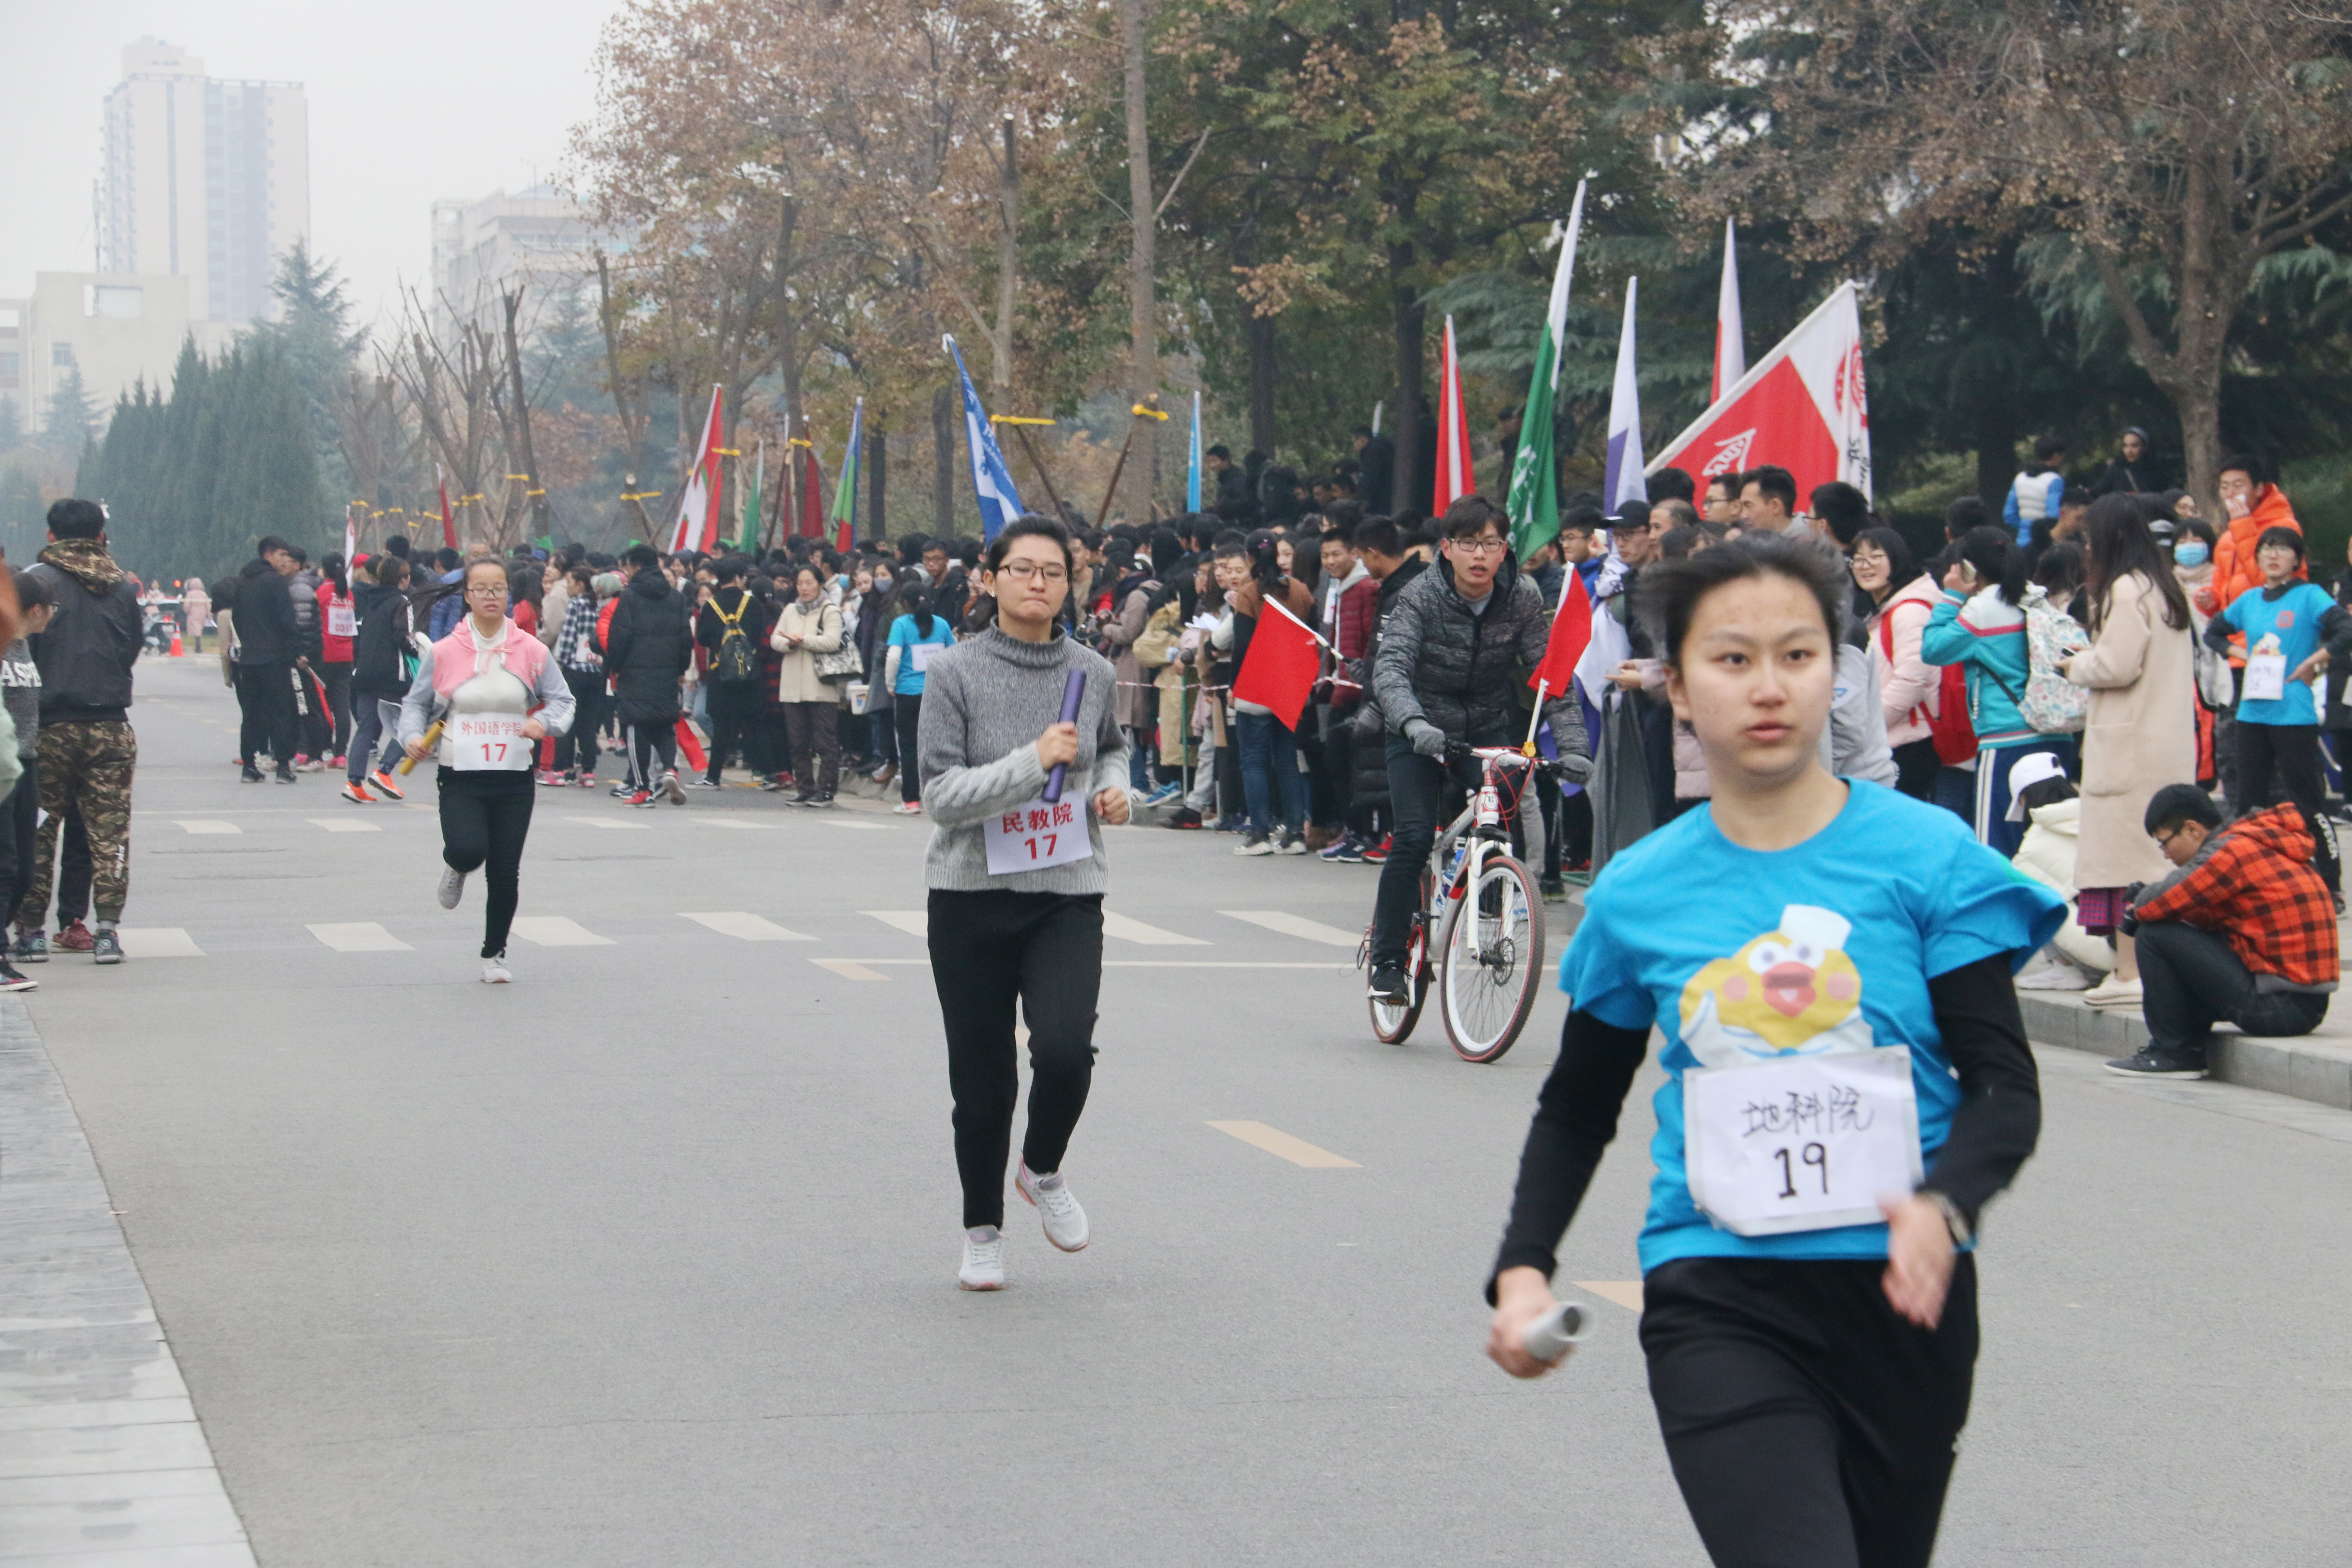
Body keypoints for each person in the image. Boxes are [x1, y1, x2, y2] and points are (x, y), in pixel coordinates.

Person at [1484, 532, 2063, 1568]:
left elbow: (2002, 1087)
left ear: (1836, 673)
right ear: (1675, 685)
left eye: (1798, 655)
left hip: (1904, 1302)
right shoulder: (1638, 892)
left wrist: (1943, 1206)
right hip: (1717, 1293)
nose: (1768, 686)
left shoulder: (1928, 857)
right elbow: (1576, 1106)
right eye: (1732, 658)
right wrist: (1522, 1268)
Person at [915, 514, 1131, 1291]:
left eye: (1053, 571)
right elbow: (940, 795)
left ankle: (1041, 1167)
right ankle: (982, 1229)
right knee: (982, 1082)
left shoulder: (1091, 671)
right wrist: (1031, 761)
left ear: (1071, 583)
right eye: (1022, 569)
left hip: (1065, 892)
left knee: (1067, 1048)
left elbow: (1112, 747)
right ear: (991, 578)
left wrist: (1115, 789)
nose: (1038, 583)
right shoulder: (953, 672)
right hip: (969, 895)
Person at [1365, 495, 1592, 1003]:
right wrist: (1413, 722)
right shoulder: (1419, 596)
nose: (1480, 555)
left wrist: (1575, 747)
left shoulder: (1522, 598)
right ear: (1447, 548)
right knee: (1414, 837)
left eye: (1491, 543)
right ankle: (1388, 960)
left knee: (1501, 817)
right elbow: (1391, 669)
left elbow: (1552, 680)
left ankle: (1488, 891)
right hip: (1418, 729)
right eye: (1469, 543)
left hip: (1486, 727)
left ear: (1504, 549)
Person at [398, 557, 575, 983]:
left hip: (514, 775)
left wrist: (543, 723)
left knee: (505, 870)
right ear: (468, 596)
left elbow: (563, 700)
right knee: (468, 848)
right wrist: (412, 736)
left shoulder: (531, 650)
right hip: (461, 772)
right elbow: (416, 703)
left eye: (498, 588)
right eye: (481, 589)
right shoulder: (445, 652)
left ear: (508, 595)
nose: (491, 596)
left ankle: (494, 954)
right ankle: (457, 866)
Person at [2061, 495, 2198, 1011]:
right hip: (2164, 744)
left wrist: (2075, 665)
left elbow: (2117, 666)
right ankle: (2155, 973)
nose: (2088, 546)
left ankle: (2128, 971)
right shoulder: (2164, 585)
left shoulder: (2124, 588)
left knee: (2122, 869)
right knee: (2158, 865)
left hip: (2128, 747)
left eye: (2092, 536)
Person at [2104, 785, 2336, 1078]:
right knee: (2183, 932)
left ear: (2192, 830)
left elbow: (2156, 904)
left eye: (2164, 843)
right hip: (2304, 1005)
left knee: (2155, 935)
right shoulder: (2255, 843)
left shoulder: (2231, 853)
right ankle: (2182, 1046)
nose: (2165, 855)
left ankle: (2174, 1053)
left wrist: (2139, 899)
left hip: (2281, 1008)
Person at [17, 500, 142, 966]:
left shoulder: (35, 582)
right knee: (110, 833)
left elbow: (20, 649)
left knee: (38, 831)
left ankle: (30, 932)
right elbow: (130, 647)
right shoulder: (122, 585)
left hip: (48, 726)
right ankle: (105, 930)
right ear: (100, 535)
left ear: (51, 535)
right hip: (111, 724)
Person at [2205, 525, 2350, 896]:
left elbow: (2346, 629)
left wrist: (2313, 661)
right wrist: (2241, 653)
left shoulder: (2309, 596)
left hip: (2293, 714)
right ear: (2257, 557)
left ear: (2297, 559)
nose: (2273, 555)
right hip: (2252, 713)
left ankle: (2330, 885)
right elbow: (2214, 632)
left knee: (2308, 803)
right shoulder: (2250, 600)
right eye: (2267, 548)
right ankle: (2251, 882)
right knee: (2249, 806)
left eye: (2283, 549)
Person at [1920, 526, 2068, 857]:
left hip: (2007, 739)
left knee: (1997, 844)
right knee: (2051, 842)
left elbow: (1933, 649)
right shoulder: (2037, 598)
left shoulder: (1983, 610)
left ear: (1969, 568)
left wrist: (1953, 596)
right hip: (2057, 735)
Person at [1212, 532, 1317, 855]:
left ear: (1250, 558)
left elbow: (1243, 645)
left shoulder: (1249, 594)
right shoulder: (1300, 591)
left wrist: (1235, 685)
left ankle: (1259, 834)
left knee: (1254, 761)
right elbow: (1311, 636)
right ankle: (1295, 834)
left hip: (1257, 683)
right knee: (1287, 761)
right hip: (1290, 683)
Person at [1852, 528, 1943, 801]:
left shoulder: (1909, 611)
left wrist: (1867, 726)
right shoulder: (1883, 610)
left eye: (1875, 557)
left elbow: (1912, 682)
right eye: (1858, 559)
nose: (1865, 566)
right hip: (1892, 740)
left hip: (1910, 745)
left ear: (1897, 559)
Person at [604, 544, 693, 808]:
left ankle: (643, 789)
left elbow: (619, 637)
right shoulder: (676, 598)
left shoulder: (630, 597)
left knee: (636, 728)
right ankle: (671, 769)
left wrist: (615, 666)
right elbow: (686, 639)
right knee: (665, 725)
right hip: (667, 674)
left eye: (627, 568)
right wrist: (681, 670)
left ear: (636, 567)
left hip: (635, 673)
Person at [0, 569, 47, 989]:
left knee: (24, 870)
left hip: (26, 764)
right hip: (3, 764)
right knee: (5, 864)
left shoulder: (25, 646)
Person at [771, 562, 846, 806]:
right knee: (797, 743)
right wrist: (789, 644)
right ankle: (805, 788)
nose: (804, 588)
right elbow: (775, 640)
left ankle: (826, 790)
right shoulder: (790, 610)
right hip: (793, 687)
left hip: (821, 687)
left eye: (809, 583)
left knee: (825, 742)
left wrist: (803, 640)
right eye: (800, 583)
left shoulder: (830, 611)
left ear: (820, 585)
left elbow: (832, 642)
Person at [694, 558, 774, 789]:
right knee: (755, 725)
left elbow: (702, 638)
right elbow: (760, 634)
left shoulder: (711, 606)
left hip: (721, 674)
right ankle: (770, 774)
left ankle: (713, 776)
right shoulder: (753, 604)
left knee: (721, 728)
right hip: (749, 673)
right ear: (739, 578)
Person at [343, 554, 414, 803]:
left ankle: (354, 783)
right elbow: (404, 637)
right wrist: (420, 652)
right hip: (391, 675)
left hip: (364, 672)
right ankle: (384, 771)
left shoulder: (369, 599)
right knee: (408, 724)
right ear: (403, 579)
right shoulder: (402, 602)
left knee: (366, 727)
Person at [234, 538, 304, 782]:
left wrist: (249, 642)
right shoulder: (275, 582)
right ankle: (283, 766)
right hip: (274, 657)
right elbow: (287, 620)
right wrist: (295, 650)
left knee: (252, 713)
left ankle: (249, 766)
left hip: (249, 657)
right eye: (282, 555)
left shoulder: (243, 581)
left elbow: (237, 618)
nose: (285, 560)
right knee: (281, 711)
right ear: (269, 555)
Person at [885, 582, 956, 815]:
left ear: (906, 603)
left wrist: (890, 683)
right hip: (938, 693)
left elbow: (894, 657)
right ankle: (944, 797)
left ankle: (911, 801)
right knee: (939, 745)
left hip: (908, 693)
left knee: (908, 746)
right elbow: (954, 655)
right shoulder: (942, 625)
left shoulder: (901, 624)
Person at [549, 564, 607, 788]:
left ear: (581, 585)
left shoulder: (577, 604)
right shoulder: (602, 606)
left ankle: (563, 769)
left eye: (570, 582)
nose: (568, 587)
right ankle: (589, 771)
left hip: (574, 669)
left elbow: (569, 635)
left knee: (567, 719)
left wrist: (561, 660)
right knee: (588, 722)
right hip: (596, 669)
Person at [315, 551, 357, 767]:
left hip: (324, 654)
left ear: (324, 570)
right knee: (342, 705)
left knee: (321, 704)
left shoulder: (321, 593)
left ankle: (323, 746)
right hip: (346, 655)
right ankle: (341, 754)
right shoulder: (348, 594)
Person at [2003, 435, 2068, 547]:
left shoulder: (2020, 478)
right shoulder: (2054, 480)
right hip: (2044, 544)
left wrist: (2025, 527)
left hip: (2022, 542)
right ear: (2056, 456)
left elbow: (2009, 514)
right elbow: (2054, 516)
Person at [2090, 426, 2160, 497]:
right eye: (2126, 446)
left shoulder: (2156, 470)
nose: (2129, 451)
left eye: (2134, 446)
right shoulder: (2116, 470)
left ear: (2144, 447)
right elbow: (2098, 490)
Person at [1736, 466, 1799, 536]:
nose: (1743, 516)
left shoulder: (1803, 541)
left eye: (1748, 505)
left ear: (1775, 506)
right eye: (1742, 507)